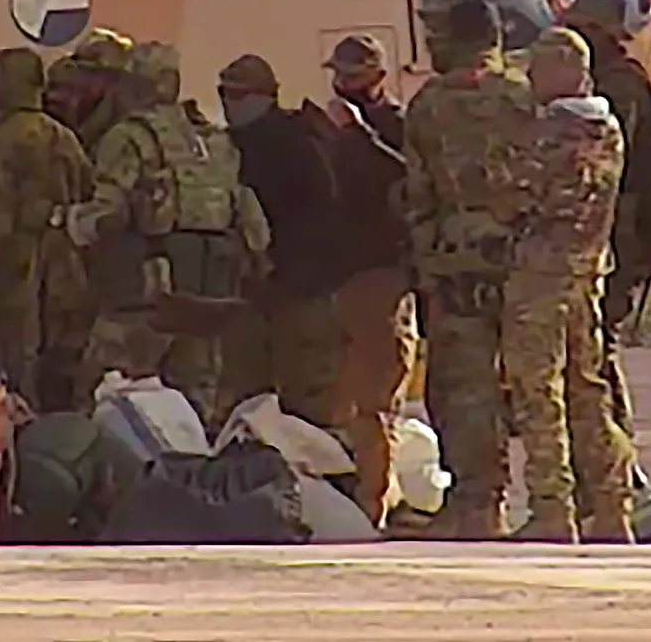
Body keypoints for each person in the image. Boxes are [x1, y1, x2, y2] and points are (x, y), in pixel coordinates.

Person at [70, 42, 269, 422]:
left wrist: (69, 223)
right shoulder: (211, 137)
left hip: (148, 291)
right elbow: (247, 211)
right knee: (195, 395)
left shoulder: (129, 136)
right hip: (209, 290)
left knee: (108, 388)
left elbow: (109, 212)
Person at [402, 0, 534, 539]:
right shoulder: (528, 97)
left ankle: (478, 506)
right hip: (527, 266)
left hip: (458, 267)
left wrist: (424, 265)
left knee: (464, 388)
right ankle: (564, 503)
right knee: (541, 384)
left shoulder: (432, 104)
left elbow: (419, 195)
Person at [506, 28, 634, 542]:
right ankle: (611, 505)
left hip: (541, 278)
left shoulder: (553, 132)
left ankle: (551, 507)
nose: (530, 78)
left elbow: (518, 196)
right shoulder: (607, 128)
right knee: (588, 390)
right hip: (588, 274)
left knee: (538, 390)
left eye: (538, 67)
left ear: (563, 71)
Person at [562, 0, 651, 491]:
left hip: (616, 236)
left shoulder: (617, 85)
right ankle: (613, 462)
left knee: (594, 351)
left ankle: (614, 463)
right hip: (613, 234)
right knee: (594, 350)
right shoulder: (616, 79)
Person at [0, 48, 92, 409]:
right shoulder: (63, 137)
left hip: (5, 269)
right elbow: (87, 189)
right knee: (54, 361)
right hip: (61, 269)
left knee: (4, 367)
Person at [217, 53, 347, 429]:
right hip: (255, 289)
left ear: (264, 96)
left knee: (308, 399)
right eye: (224, 93)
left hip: (302, 288)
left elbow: (321, 212)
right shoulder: (232, 145)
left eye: (237, 94)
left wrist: (286, 268)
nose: (228, 103)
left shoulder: (296, 142)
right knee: (249, 398)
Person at [320, 35, 418, 526]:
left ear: (377, 77)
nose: (343, 84)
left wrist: (358, 135)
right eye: (339, 75)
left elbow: (404, 180)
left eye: (354, 76)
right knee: (343, 395)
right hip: (343, 271)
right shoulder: (334, 128)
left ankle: (375, 501)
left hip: (382, 271)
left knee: (375, 398)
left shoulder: (395, 126)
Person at [324, 34, 405, 150]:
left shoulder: (401, 125)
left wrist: (353, 130)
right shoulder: (329, 122)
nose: (339, 82)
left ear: (379, 76)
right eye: (337, 73)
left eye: (351, 76)